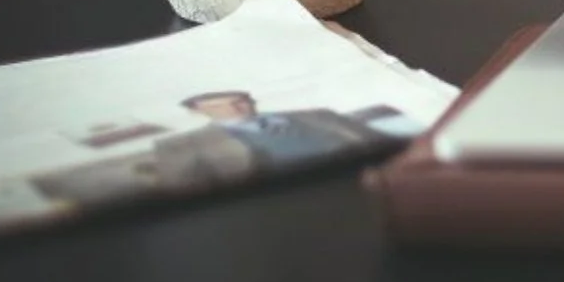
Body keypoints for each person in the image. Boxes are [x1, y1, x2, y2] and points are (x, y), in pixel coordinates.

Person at [153, 91, 388, 187]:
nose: (235, 108)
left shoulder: (317, 115)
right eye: (221, 106)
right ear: (198, 111)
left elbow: (380, 141)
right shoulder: (180, 145)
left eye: (239, 101)